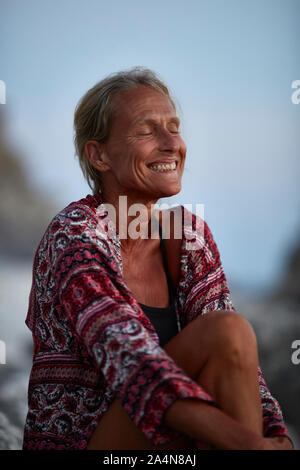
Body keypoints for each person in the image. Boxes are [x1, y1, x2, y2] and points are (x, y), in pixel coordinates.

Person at [22, 67, 294, 450]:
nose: (172, 143)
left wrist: (275, 433)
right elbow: (130, 360)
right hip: (86, 442)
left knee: (230, 332)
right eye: (147, 130)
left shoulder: (189, 236)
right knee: (226, 331)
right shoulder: (75, 235)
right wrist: (249, 443)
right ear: (99, 155)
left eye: (174, 127)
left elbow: (240, 364)